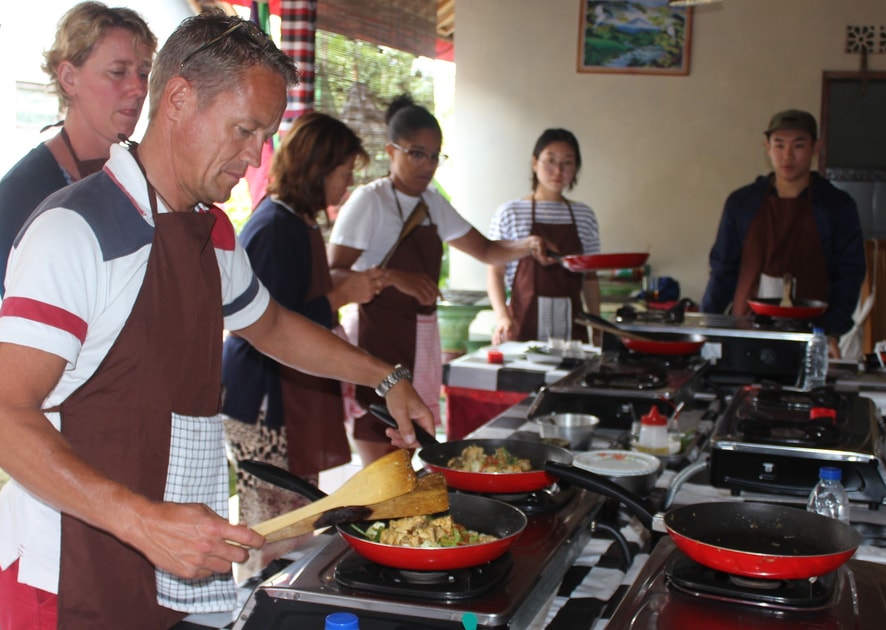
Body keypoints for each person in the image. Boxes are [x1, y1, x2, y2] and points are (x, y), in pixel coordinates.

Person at [0, 12, 432, 629]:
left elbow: (270, 326)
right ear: (180, 100)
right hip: (62, 567)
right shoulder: (74, 232)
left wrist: (385, 378)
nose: (255, 156)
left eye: (265, 135)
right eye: (244, 130)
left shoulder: (210, 230)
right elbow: (1, 422)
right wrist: (143, 521)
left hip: (169, 550)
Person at [328, 93, 556, 464]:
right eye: (417, 153)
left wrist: (529, 245)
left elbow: (486, 251)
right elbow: (334, 276)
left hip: (421, 336)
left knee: (412, 444)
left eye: (435, 155)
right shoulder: (369, 201)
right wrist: (392, 277)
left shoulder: (433, 202)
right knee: (381, 444)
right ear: (391, 151)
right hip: (377, 335)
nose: (428, 165)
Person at [220, 111, 383, 574]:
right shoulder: (274, 227)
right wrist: (341, 294)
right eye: (344, 173)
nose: (347, 185)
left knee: (294, 524)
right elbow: (269, 327)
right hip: (264, 402)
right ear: (317, 169)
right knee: (273, 531)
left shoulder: (298, 221)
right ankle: (263, 608)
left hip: (287, 400)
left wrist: (337, 292)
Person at [0, 2, 156, 296]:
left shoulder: (145, 176)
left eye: (143, 73)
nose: (139, 88)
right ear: (69, 78)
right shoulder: (25, 189)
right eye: (118, 72)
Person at [700, 109, 865, 358]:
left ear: (815, 147)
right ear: (767, 147)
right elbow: (723, 270)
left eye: (798, 145)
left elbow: (849, 274)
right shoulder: (742, 202)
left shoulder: (837, 206)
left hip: (811, 334)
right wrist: (707, 327)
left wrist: (831, 330)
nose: (788, 155)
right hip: (747, 331)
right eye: (779, 145)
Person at [486, 128, 601, 345]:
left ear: (576, 168)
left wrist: (597, 325)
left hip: (572, 327)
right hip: (521, 324)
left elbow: (591, 277)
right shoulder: (510, 212)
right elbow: (495, 271)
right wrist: (502, 317)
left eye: (567, 162)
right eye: (550, 160)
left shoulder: (584, 215)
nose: (558, 170)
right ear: (534, 162)